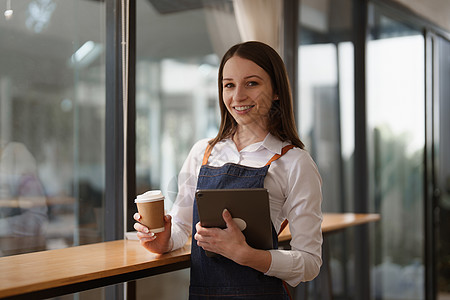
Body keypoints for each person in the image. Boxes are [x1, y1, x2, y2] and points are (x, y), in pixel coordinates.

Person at [134, 41, 323, 299]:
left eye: (252, 83)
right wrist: (161, 240)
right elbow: (181, 227)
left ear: (277, 91)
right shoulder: (203, 153)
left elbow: (310, 263)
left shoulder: (294, 162)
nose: (238, 97)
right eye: (229, 85)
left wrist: (248, 256)